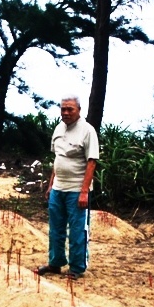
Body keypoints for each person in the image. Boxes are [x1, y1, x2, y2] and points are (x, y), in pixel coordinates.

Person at [38, 95, 99, 279]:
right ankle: (55, 263)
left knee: (77, 230)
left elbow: (92, 162)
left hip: (76, 190)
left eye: (70, 109)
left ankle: (77, 268)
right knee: (55, 228)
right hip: (58, 188)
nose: (66, 112)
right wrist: (51, 185)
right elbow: (58, 159)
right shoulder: (58, 128)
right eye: (63, 109)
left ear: (78, 110)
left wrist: (84, 191)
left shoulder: (87, 131)